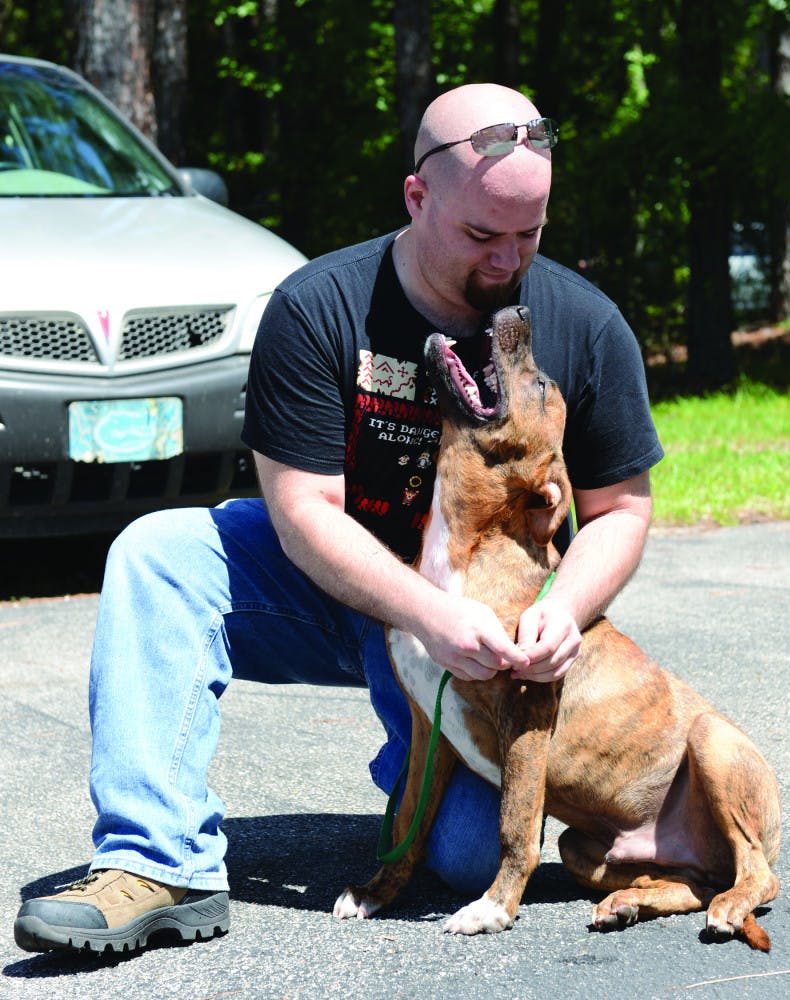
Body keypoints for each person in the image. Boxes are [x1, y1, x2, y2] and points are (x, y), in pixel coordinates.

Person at [14, 83, 663, 955]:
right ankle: (154, 861)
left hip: (487, 630)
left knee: (467, 858)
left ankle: (418, 781)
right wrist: (426, 613)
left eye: (530, 233)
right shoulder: (319, 306)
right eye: (482, 235)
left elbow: (622, 508)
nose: (510, 261)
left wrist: (563, 612)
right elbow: (301, 511)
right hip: (342, 589)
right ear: (417, 196)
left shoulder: (583, 326)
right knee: (158, 554)